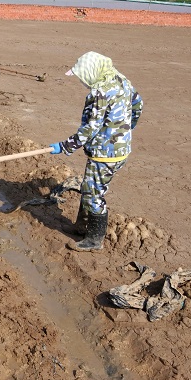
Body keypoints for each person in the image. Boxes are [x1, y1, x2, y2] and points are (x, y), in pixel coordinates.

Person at [50, 51, 143, 251]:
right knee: (89, 186)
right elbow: (138, 104)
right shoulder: (121, 80)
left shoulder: (99, 93)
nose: (82, 82)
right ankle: (82, 226)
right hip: (121, 149)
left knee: (94, 194)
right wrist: (126, 129)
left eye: (82, 77)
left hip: (104, 154)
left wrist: (66, 145)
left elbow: (90, 128)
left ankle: (94, 239)